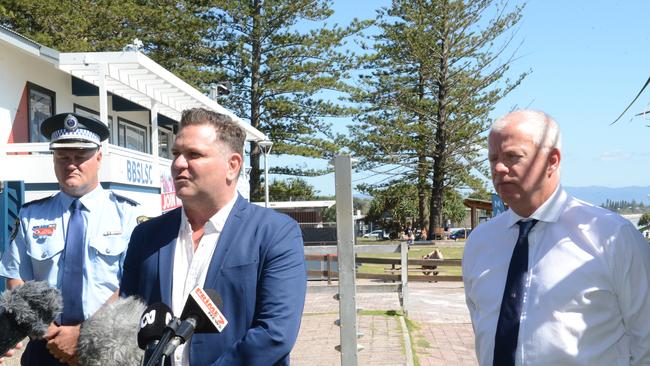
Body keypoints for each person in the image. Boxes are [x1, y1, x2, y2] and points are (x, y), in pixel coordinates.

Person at [120, 108, 307, 365]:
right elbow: (128, 320)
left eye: (194, 154)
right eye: (175, 153)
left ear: (232, 166)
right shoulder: (146, 236)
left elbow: (275, 334)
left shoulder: (275, 233)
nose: (178, 164)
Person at [462, 109, 650, 365]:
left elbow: (645, 340)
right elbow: (483, 330)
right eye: (493, 158)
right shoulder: (480, 243)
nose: (498, 168)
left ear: (552, 161)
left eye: (512, 157)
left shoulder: (611, 237)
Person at [0, 113, 142, 365]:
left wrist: (83, 335)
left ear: (98, 157)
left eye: (80, 156)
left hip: (105, 349)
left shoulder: (127, 215)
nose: (71, 164)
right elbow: (16, 278)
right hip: (45, 347)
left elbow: (130, 283)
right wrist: (48, 331)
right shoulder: (31, 215)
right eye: (63, 156)